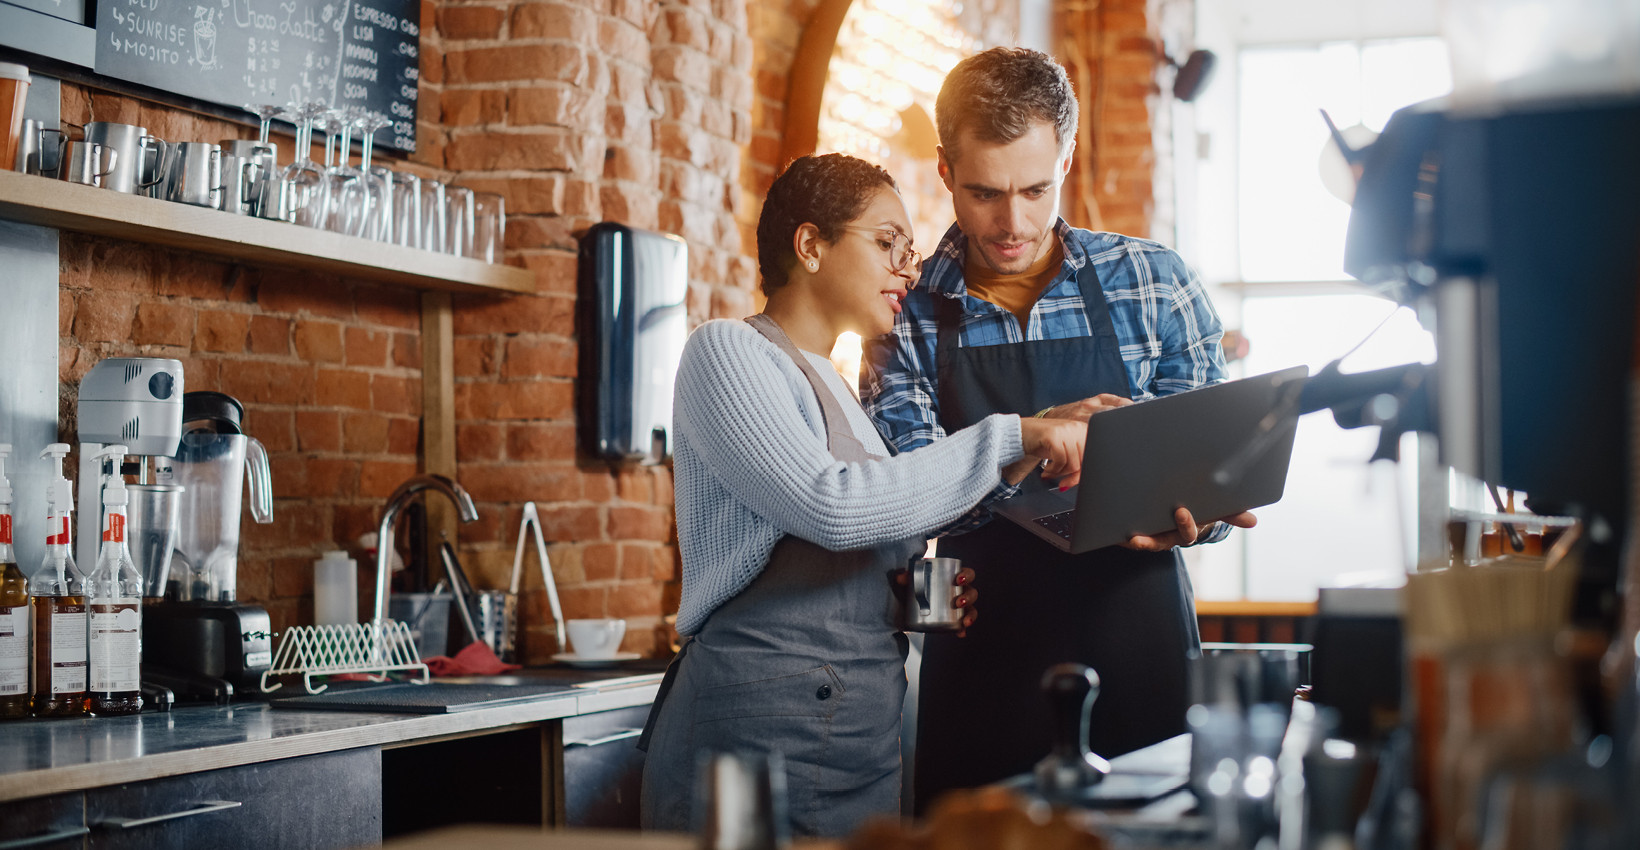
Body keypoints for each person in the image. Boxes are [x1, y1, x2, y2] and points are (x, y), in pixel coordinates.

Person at [638, 153, 1089, 839]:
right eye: (888, 245)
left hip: (855, 740)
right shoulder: (726, 351)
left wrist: (909, 600)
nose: (907, 269)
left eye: (909, 251)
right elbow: (833, 506)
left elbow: (843, 544)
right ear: (810, 245)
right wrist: (1013, 436)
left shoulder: (842, 393)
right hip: (758, 736)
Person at [860, 47, 1256, 812]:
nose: (1012, 222)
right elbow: (905, 495)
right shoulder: (900, 312)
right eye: (984, 193)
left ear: (1067, 158)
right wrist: (1032, 438)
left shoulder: (1155, 281)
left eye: (1036, 189)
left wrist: (1198, 517)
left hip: (1139, 635)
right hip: (986, 650)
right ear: (944, 171)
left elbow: (1211, 473)